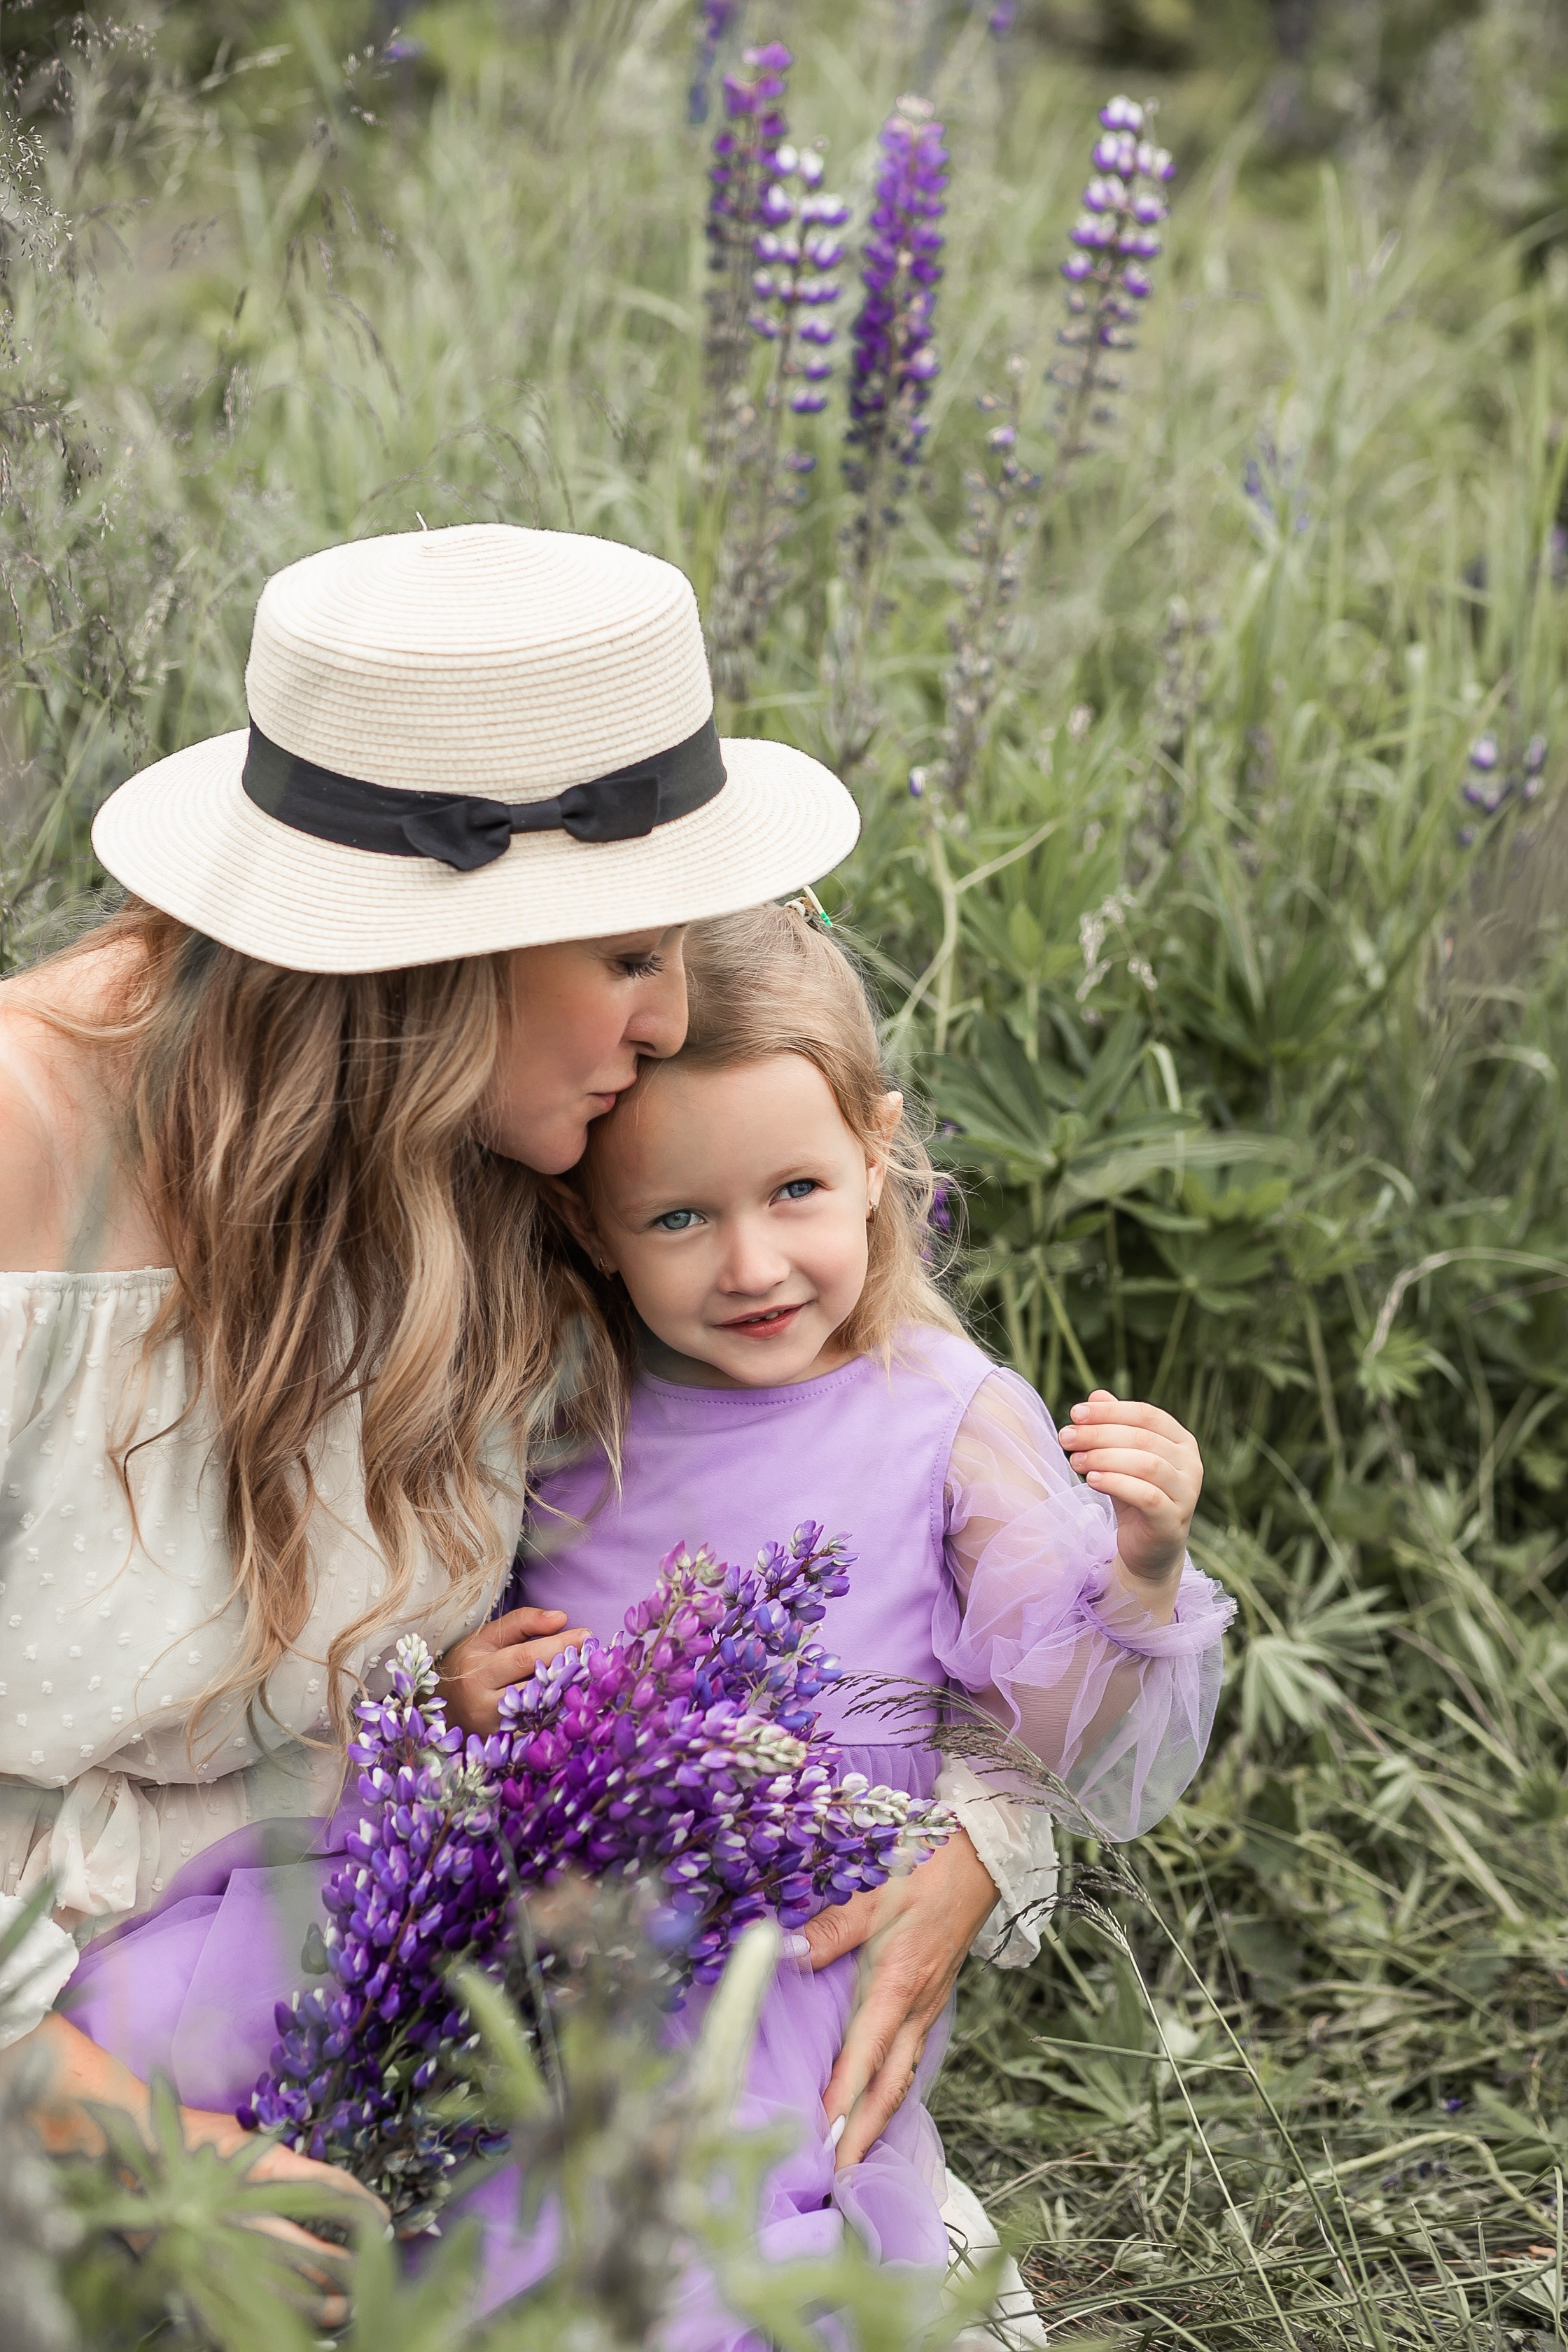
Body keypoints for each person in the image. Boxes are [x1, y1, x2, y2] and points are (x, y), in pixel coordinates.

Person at [0, 522, 868, 2259]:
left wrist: (973, 1837)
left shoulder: (510, 1144)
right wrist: (114, 2136)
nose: (667, 1018)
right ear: (431, 957)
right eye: (627, 956)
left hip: (366, 1971)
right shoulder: (29, 1147)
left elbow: (852, 1440)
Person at [480, 901, 1233, 2332]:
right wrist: (465, 1681)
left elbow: (1047, 1733)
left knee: (705, 2244)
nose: (753, 1265)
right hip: (552, 1903)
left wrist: (1140, 1572)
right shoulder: (565, 1403)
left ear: (876, 1153)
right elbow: (474, 1620)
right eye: (681, 1217)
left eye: (798, 1193)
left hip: (803, 1944)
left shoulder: (945, 1413)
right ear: (591, 1217)